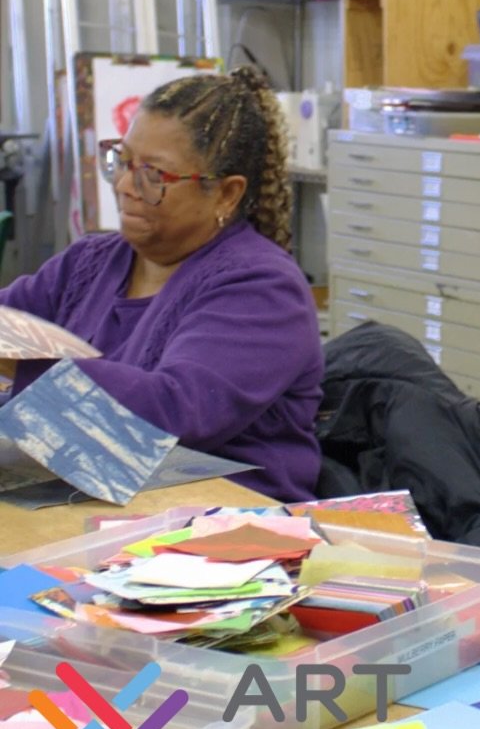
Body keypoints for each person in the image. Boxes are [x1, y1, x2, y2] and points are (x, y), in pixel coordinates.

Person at [0, 66, 323, 503]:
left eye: (154, 175)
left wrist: (21, 366)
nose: (124, 185)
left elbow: (174, 412)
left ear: (226, 193)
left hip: (218, 520)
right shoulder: (89, 262)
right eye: (123, 161)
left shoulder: (262, 288)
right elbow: (11, 318)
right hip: (95, 495)